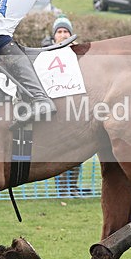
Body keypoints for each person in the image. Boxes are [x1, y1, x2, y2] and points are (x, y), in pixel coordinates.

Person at [40, 15, 90, 197]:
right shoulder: (45, 54)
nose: (62, 35)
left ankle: (73, 187)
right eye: (59, 32)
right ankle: (62, 189)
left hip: (76, 107)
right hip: (56, 109)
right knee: (62, 150)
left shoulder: (77, 54)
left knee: (78, 150)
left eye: (65, 31)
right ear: (54, 36)